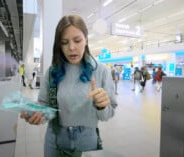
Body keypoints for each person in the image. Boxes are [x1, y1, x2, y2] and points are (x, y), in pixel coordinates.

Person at [20, 15, 118, 157]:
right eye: (64, 42)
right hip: (55, 140)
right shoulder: (53, 72)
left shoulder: (101, 71)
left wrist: (102, 106)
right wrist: (38, 113)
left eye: (77, 40)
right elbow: (46, 105)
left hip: (87, 141)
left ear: (86, 40)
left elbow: (107, 115)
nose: (71, 47)